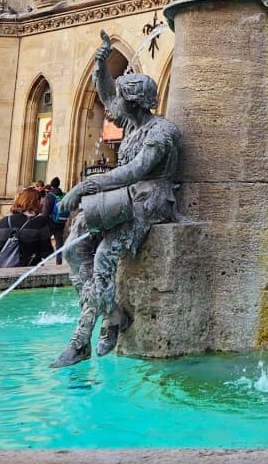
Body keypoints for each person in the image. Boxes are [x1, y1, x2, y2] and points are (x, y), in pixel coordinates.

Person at [53, 30, 182, 367]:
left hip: (150, 200)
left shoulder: (161, 133)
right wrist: (100, 63)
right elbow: (107, 96)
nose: (115, 104)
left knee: (104, 258)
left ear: (134, 101)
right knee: (74, 244)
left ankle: (82, 338)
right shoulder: (131, 123)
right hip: (124, 195)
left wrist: (85, 187)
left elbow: (135, 171)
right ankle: (108, 312)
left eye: (123, 96)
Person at [0, 188, 52, 267]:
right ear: (36, 202)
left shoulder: (4, 221)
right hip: (29, 272)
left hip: (4, 270)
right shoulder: (40, 223)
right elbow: (47, 253)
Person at [42, 177, 66, 265]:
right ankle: (59, 261)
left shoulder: (50, 196)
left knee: (43, 240)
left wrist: (42, 222)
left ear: (51, 185)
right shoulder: (63, 195)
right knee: (59, 242)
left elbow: (45, 212)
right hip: (61, 222)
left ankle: (42, 260)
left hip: (50, 222)